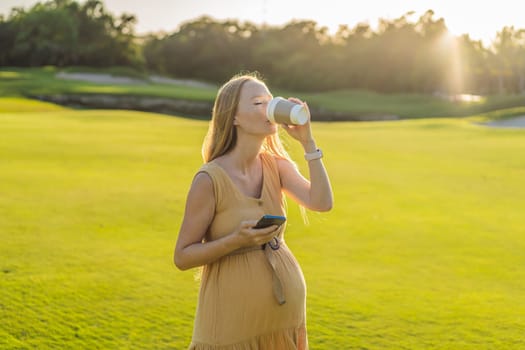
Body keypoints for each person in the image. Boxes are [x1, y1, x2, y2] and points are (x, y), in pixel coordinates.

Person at [174, 72, 333, 349]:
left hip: (284, 319)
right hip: (230, 323)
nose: (269, 108)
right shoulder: (209, 180)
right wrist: (235, 240)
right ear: (233, 117)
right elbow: (183, 257)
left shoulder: (277, 165)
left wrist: (308, 142)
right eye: (258, 103)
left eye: (270, 101)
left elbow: (322, 202)